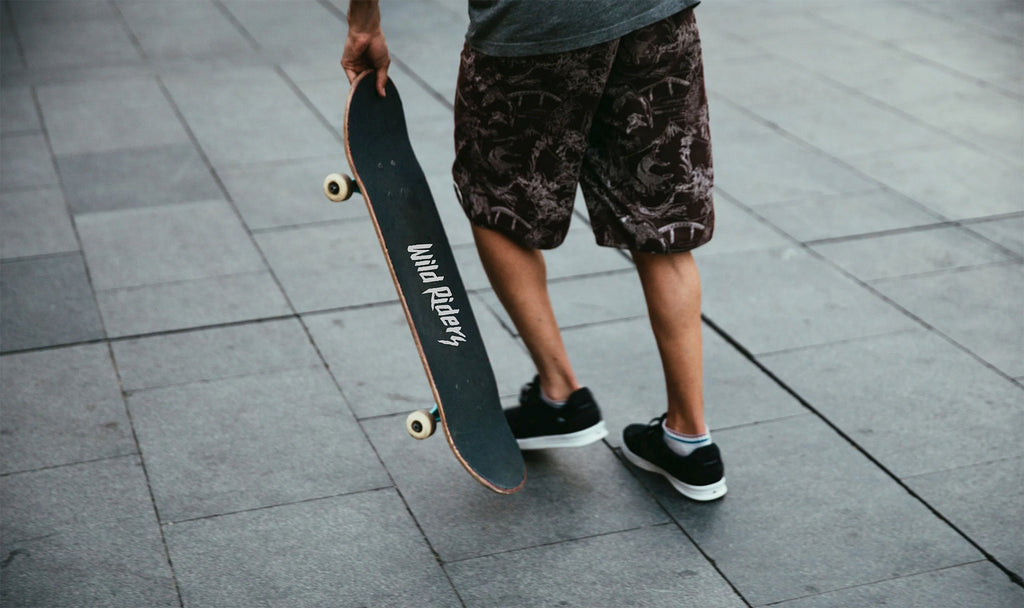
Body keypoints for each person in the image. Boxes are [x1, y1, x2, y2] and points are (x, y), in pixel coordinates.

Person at [342, 0, 726, 501]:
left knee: (498, 202)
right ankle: (690, 440)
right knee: (664, 223)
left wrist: (364, 21)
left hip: (532, 24)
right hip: (654, 14)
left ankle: (560, 392)